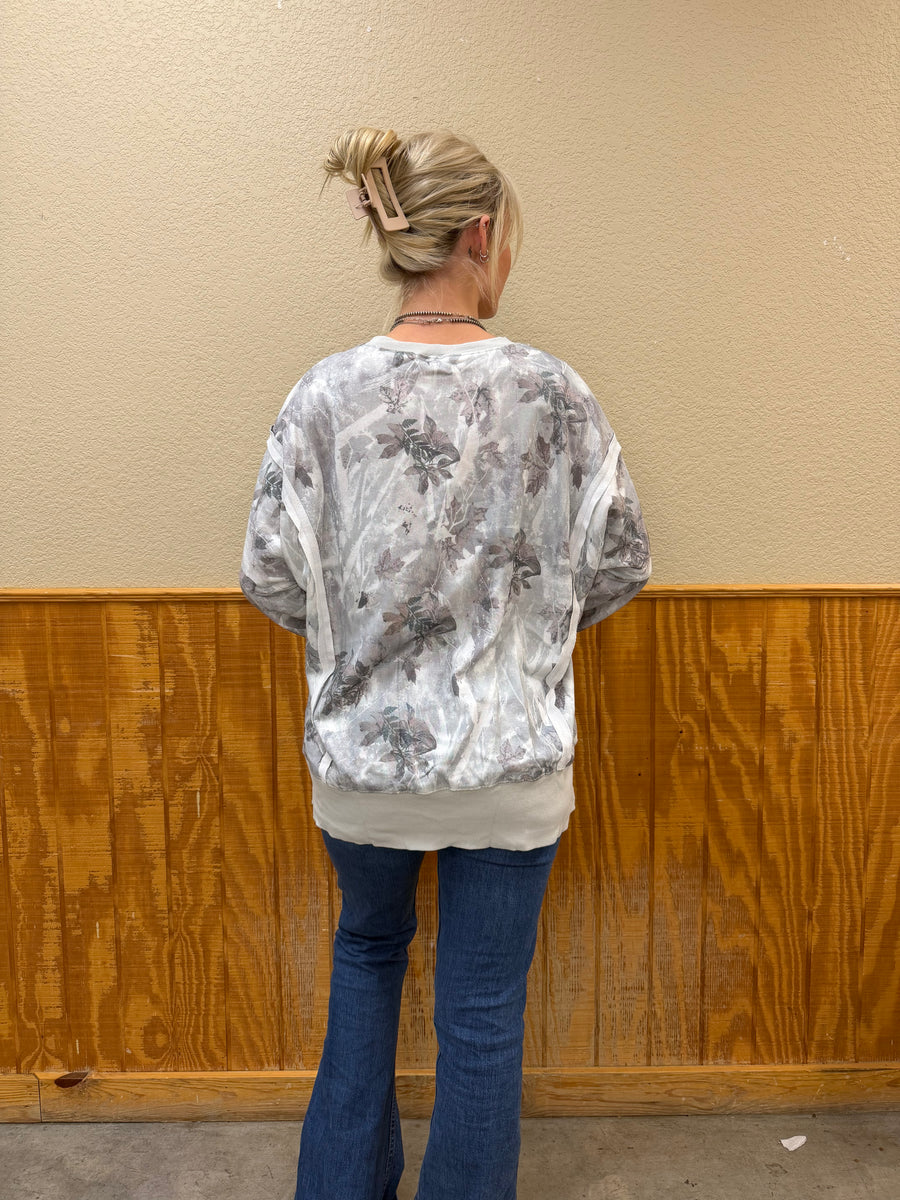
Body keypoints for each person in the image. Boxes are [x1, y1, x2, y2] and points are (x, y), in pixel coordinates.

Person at [239, 126, 652, 1200]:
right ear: (479, 233)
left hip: (361, 770)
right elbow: (621, 559)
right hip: (511, 769)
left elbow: (269, 574)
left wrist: (362, 644)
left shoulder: (321, 394)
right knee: (480, 1013)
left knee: (366, 958)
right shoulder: (553, 394)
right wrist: (520, 645)